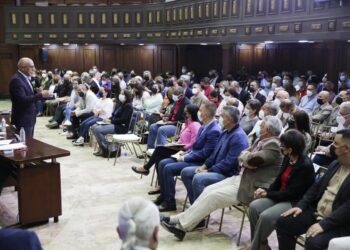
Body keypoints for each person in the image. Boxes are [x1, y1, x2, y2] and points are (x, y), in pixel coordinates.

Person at [160, 116, 283, 241]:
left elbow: (251, 159)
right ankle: (176, 220)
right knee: (208, 191)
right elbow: (242, 155)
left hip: (252, 187)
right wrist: (246, 159)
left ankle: (182, 227)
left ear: (267, 129)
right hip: (241, 178)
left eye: (261, 126)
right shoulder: (260, 141)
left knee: (214, 196)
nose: (259, 128)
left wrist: (246, 159)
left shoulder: (273, 145)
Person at [276, 129, 350, 250]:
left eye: (335, 144)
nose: (331, 146)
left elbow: (348, 209)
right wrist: (301, 205)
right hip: (317, 213)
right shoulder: (335, 164)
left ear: (346, 148)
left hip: (339, 223)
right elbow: (316, 187)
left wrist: (324, 225)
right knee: (283, 222)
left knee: (314, 242)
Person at [249, 129, 315, 250]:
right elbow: (278, 180)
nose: (280, 147)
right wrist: (265, 191)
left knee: (266, 216)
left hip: (293, 201)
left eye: (283, 146)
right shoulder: (288, 157)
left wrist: (268, 194)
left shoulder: (305, 166)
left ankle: (254, 247)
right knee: (254, 207)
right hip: (281, 194)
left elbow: (290, 194)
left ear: (290, 149)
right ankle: (261, 244)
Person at [154, 103, 221, 211]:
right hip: (192, 156)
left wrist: (186, 158)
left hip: (200, 162)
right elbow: (195, 146)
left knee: (168, 168)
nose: (199, 112)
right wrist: (186, 153)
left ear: (207, 113)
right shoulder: (204, 126)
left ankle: (170, 202)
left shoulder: (214, 130)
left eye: (201, 110)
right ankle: (164, 196)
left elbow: (206, 153)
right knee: (162, 163)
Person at [181, 106, 249, 205]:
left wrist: (208, 170)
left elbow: (228, 164)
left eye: (222, 116)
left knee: (198, 179)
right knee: (186, 172)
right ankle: (195, 206)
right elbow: (214, 154)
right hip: (216, 168)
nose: (219, 118)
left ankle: (199, 214)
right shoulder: (225, 132)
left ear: (229, 119)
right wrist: (204, 166)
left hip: (227, 174)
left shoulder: (238, 137)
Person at [131, 104, 201, 176]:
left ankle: (146, 168)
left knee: (159, 149)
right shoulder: (187, 124)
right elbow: (182, 139)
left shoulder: (195, 125)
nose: (184, 113)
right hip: (179, 148)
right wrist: (174, 144)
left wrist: (183, 147)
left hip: (184, 151)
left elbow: (194, 142)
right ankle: (159, 182)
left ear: (191, 113)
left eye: (186, 112)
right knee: (159, 155)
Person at [9, 57, 51, 137]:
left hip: (29, 117)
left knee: (29, 142)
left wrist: (37, 93)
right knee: (25, 144)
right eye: (31, 67)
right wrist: (40, 95)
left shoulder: (25, 78)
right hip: (23, 118)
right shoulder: (17, 80)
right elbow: (22, 100)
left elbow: (28, 95)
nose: (34, 69)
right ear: (23, 67)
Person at [92, 89, 133, 157]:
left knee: (98, 130)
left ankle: (107, 148)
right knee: (94, 127)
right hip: (115, 124)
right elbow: (114, 115)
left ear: (126, 96)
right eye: (120, 93)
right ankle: (104, 148)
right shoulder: (120, 104)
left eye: (122, 94)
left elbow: (123, 119)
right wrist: (108, 119)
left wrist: (111, 121)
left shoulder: (128, 106)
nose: (120, 95)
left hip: (121, 127)